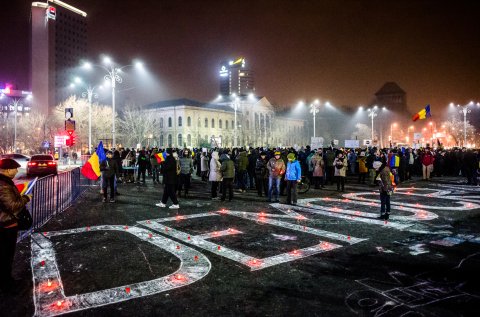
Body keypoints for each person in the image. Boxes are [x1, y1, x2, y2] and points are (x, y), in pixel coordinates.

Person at [0, 159, 31, 293]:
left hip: (6, 223)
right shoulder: (3, 185)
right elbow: (12, 206)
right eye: (15, 169)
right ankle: (7, 285)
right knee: (6, 256)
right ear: (7, 170)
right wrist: (26, 198)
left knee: (6, 255)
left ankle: (7, 281)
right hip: (6, 225)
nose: (17, 171)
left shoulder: (5, 182)